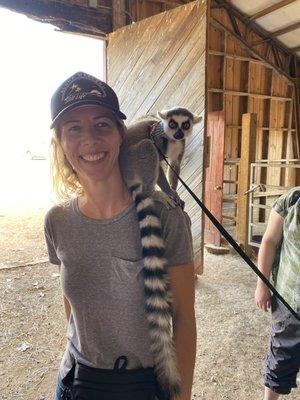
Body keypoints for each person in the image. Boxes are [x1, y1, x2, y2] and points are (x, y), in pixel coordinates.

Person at [45, 72, 197, 400]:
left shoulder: (166, 217)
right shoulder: (57, 220)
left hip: (140, 385)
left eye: (102, 124)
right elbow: (72, 302)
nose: (90, 140)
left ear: (120, 135)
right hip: (76, 380)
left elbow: (183, 317)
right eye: (74, 128)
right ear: (60, 141)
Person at [255, 187, 300, 400]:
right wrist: (262, 284)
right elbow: (269, 241)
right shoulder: (292, 199)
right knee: (279, 361)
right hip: (289, 302)